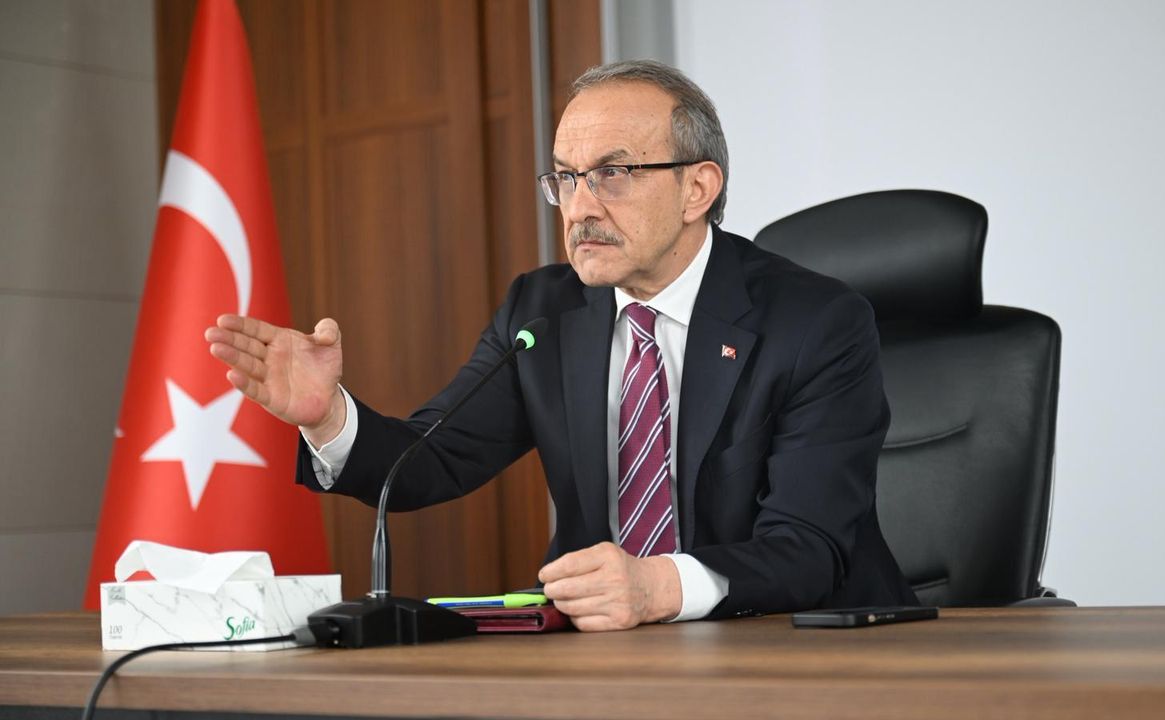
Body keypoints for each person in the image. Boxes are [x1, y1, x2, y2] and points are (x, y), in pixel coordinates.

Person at [206, 60, 916, 632]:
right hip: (611, 653)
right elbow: (432, 461)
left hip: (804, 649)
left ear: (697, 189)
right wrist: (330, 418)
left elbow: (809, 547)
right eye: (567, 178)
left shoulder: (816, 322)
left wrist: (655, 587)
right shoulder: (543, 312)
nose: (580, 207)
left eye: (613, 174)